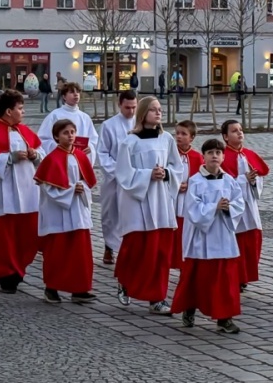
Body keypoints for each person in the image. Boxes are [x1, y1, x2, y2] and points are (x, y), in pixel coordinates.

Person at [113, 96, 181, 314]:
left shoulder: (166, 139)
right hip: (138, 201)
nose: (158, 113)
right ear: (143, 114)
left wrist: (166, 173)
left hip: (161, 200)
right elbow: (123, 173)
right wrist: (147, 175)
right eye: (153, 110)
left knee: (160, 252)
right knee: (136, 249)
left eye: (160, 109)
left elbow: (177, 167)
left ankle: (157, 298)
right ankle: (125, 280)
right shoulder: (130, 142)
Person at [170, 137, 244, 334]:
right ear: (203, 156)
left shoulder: (230, 181)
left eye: (218, 153)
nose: (214, 156)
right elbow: (193, 209)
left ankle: (224, 318)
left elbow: (239, 203)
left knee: (224, 280)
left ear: (223, 157)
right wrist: (214, 207)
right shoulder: (195, 181)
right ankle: (189, 307)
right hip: (201, 239)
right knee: (197, 278)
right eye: (210, 153)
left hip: (224, 237)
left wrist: (229, 208)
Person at [0, 89, 44, 294]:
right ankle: (7, 274)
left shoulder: (24, 131)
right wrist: (8, 158)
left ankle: (19, 267)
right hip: (2, 194)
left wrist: (35, 155)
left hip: (27, 192)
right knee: (3, 238)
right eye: (20, 108)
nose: (23, 112)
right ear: (8, 111)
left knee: (28, 235)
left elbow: (42, 152)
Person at [34, 118, 97, 304]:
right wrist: (70, 191)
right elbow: (47, 187)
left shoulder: (80, 156)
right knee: (58, 251)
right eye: (65, 133)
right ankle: (51, 288)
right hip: (58, 212)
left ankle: (80, 289)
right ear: (56, 136)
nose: (70, 136)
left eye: (72, 132)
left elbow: (87, 181)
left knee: (80, 251)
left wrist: (81, 188)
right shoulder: (51, 159)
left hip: (78, 209)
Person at [220, 119, 268, 288]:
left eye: (240, 129)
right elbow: (223, 183)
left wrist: (254, 181)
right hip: (234, 206)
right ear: (226, 137)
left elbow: (260, 175)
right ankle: (235, 276)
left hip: (250, 205)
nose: (239, 132)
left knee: (252, 239)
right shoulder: (223, 156)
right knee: (237, 240)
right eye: (234, 131)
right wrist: (243, 179)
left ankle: (245, 276)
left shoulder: (249, 154)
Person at [95, 89, 137, 265]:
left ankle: (130, 249)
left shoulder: (140, 123)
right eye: (127, 107)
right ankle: (109, 246)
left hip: (136, 178)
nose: (131, 111)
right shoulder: (109, 125)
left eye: (134, 107)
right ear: (119, 105)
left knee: (132, 215)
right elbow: (102, 153)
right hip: (114, 178)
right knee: (110, 213)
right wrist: (119, 172)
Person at [171, 120, 204, 271]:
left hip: (188, 200)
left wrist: (189, 185)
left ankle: (184, 262)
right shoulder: (170, 154)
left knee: (186, 230)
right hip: (173, 198)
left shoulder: (197, 157)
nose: (179, 136)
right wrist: (175, 184)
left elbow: (202, 179)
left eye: (183, 134)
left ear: (192, 137)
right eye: (177, 133)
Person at [37, 82, 98, 159]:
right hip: (61, 158)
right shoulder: (55, 115)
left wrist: (90, 146)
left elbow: (94, 138)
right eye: (72, 92)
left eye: (77, 92)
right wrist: (59, 147)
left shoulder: (85, 117)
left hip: (80, 158)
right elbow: (43, 139)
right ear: (64, 97)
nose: (76, 94)